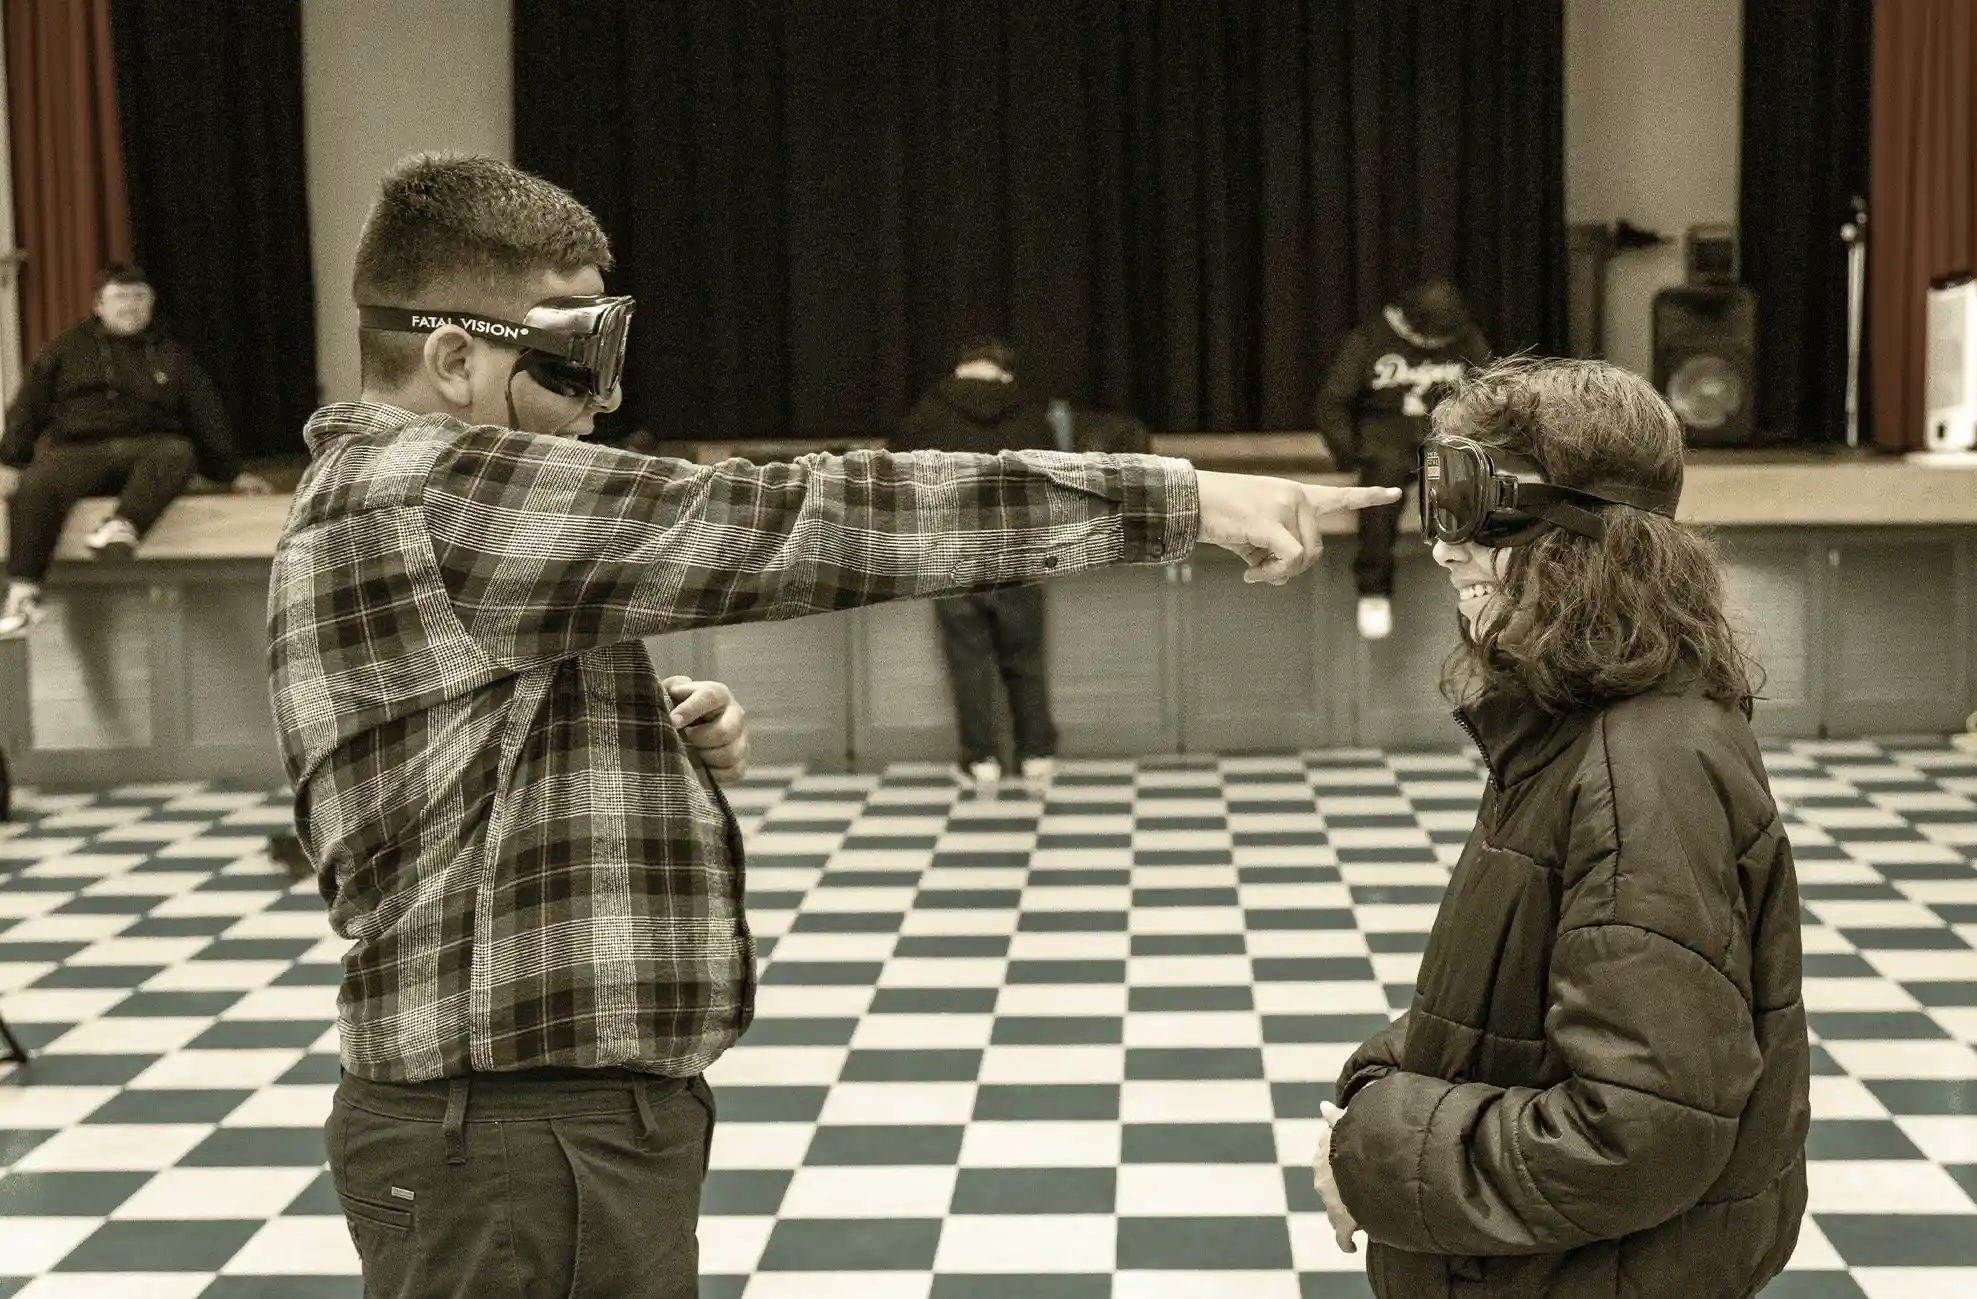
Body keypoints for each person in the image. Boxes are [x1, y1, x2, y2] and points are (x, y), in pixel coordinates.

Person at [269, 152, 1396, 1299]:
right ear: (454, 357)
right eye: (570, 368)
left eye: (611, 357)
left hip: (533, 1125)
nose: (602, 406)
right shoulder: (437, 492)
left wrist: (645, 730)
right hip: (514, 1137)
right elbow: (799, 521)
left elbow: (433, 754)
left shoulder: (408, 501)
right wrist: (1184, 498)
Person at [1311, 358, 1809, 1299]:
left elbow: (1639, 1131)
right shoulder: (1586, 728)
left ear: (1590, 542)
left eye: (1474, 515)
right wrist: (1382, 1080)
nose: (1442, 551)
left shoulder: (1642, 773)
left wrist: (1372, 1154)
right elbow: (1535, 999)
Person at [0, 264, 271, 634]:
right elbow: (28, 408)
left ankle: (122, 526)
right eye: (120, 297)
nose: (131, 305)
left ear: (152, 302)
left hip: (149, 453)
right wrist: (10, 461)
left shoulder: (173, 356)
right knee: (36, 484)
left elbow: (206, 416)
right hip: (78, 453)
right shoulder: (63, 350)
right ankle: (23, 596)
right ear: (98, 304)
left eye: (139, 296)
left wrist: (233, 473)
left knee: (179, 452)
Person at [889, 336, 1060, 789]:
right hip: (1019, 551)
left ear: (958, 368)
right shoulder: (1031, 415)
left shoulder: (926, 414)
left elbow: (895, 477)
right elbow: (1058, 480)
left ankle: (979, 758)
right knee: (1024, 655)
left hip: (954, 551)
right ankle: (1035, 754)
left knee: (968, 659)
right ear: (1004, 370)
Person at [1316, 280, 1491, 641]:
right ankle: (1374, 590)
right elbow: (1333, 402)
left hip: (1443, 431)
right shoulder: (1370, 339)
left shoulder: (1464, 338)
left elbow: (1491, 391)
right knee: (1382, 492)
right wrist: (1350, 454)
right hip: (1384, 436)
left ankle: (1483, 588)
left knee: (1466, 485)